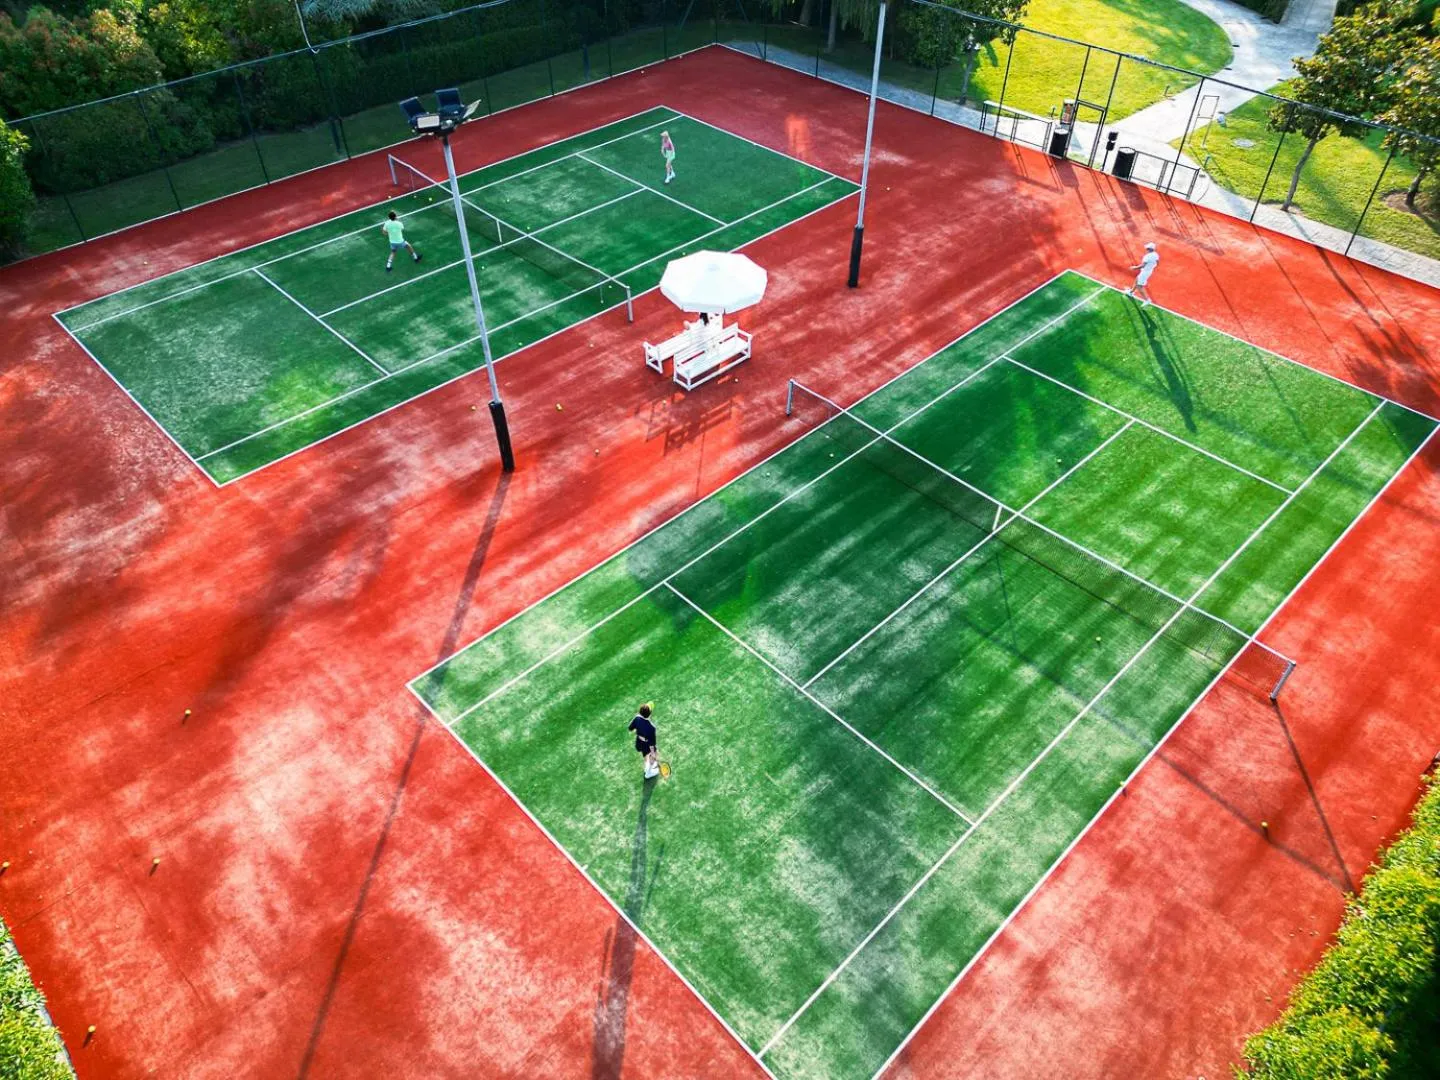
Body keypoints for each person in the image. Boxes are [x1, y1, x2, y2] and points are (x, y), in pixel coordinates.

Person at [628, 703, 659, 780]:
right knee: (654, 754)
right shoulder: (652, 728)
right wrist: (653, 754)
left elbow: (630, 728)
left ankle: (646, 767)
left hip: (639, 743)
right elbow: (652, 744)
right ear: (650, 714)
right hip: (647, 744)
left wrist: (639, 734)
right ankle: (648, 772)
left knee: (645, 755)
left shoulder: (637, 718)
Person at [1124, 241, 1159, 306]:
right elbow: (1157, 262)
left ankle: (1147, 300)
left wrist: (1135, 268)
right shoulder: (1156, 254)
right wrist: (1151, 266)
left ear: (1148, 249)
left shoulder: (1147, 256)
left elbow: (1143, 265)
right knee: (1137, 280)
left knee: (1139, 286)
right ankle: (1131, 292)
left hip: (1145, 272)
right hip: (1149, 271)